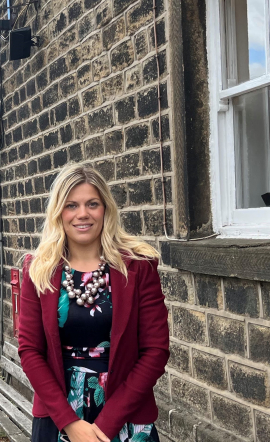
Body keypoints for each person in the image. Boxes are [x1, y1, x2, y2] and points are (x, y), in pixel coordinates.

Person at [18, 164, 169, 442]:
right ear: (58, 213)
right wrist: (70, 423)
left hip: (126, 414)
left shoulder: (138, 267)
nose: (82, 214)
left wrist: (106, 425)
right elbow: (29, 351)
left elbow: (155, 351)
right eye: (71, 205)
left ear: (105, 209)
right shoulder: (37, 270)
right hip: (58, 416)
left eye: (92, 204)